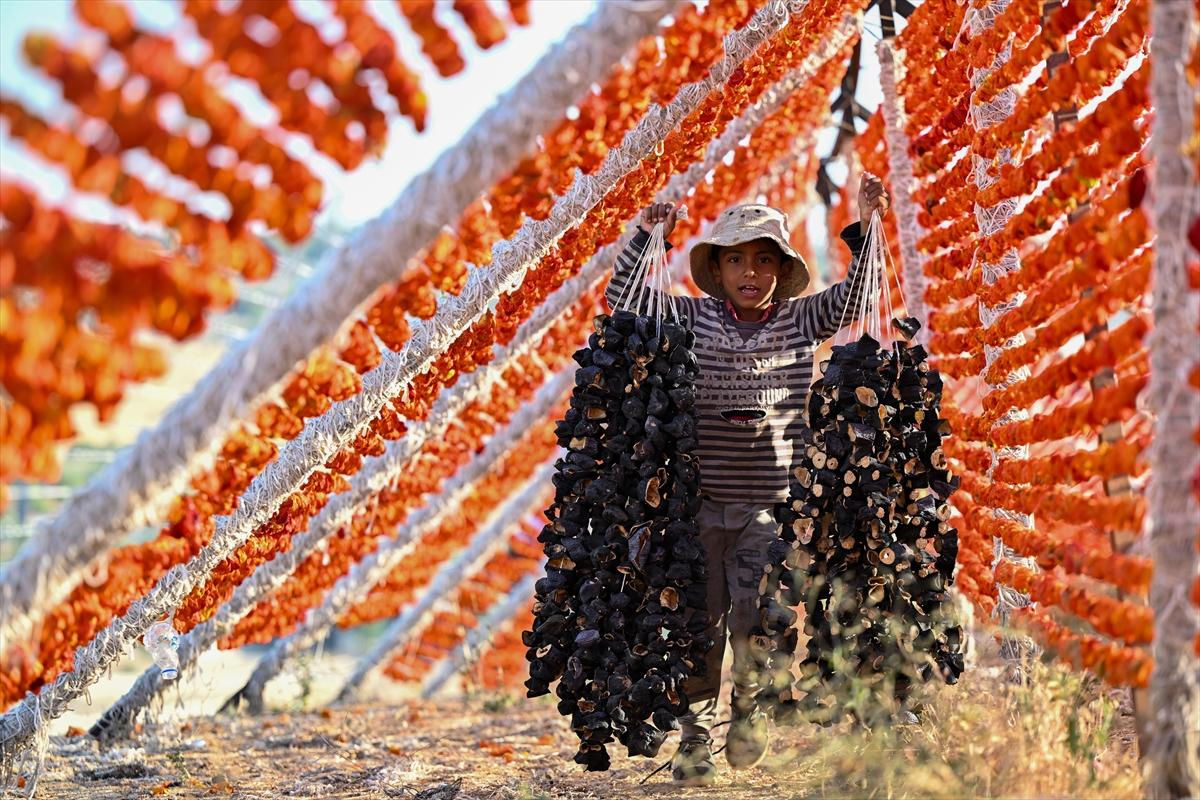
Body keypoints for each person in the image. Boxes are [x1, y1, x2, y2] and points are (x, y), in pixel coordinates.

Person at [603, 174, 891, 785]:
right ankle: (692, 736)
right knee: (696, 625)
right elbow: (624, 301)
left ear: (781, 271)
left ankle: (749, 713)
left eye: (763, 261)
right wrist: (646, 234)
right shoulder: (691, 319)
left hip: (772, 504)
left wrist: (868, 224)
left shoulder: (799, 321)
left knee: (760, 623)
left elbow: (858, 298)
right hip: (701, 505)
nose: (750, 272)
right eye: (737, 260)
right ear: (719, 268)